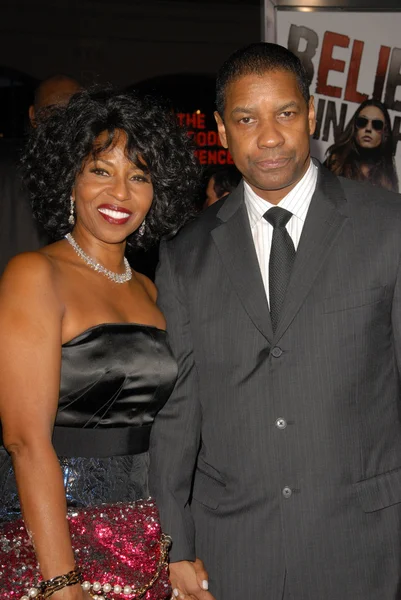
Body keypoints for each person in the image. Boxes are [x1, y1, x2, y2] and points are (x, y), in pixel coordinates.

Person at [149, 42, 401, 600]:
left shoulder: (389, 228)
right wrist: (174, 545)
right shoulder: (186, 253)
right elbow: (177, 415)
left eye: (285, 113)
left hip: (366, 545)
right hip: (231, 552)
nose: (268, 137)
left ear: (310, 115)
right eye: (246, 119)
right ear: (221, 129)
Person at [0, 88, 200, 599]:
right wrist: (62, 583)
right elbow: (25, 441)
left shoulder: (151, 290)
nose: (121, 193)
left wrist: (174, 544)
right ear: (70, 177)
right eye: (101, 170)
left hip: (144, 538)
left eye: (139, 176)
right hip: (52, 538)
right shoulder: (34, 275)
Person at [0, 74, 82, 276]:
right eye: (52, 112)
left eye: (72, 112)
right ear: (33, 116)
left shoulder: (99, 178)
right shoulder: (7, 176)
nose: (62, 122)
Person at [324, 98, 399, 192]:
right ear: (354, 128)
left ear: (385, 132)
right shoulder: (335, 164)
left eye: (377, 124)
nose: (368, 128)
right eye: (362, 122)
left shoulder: (388, 177)